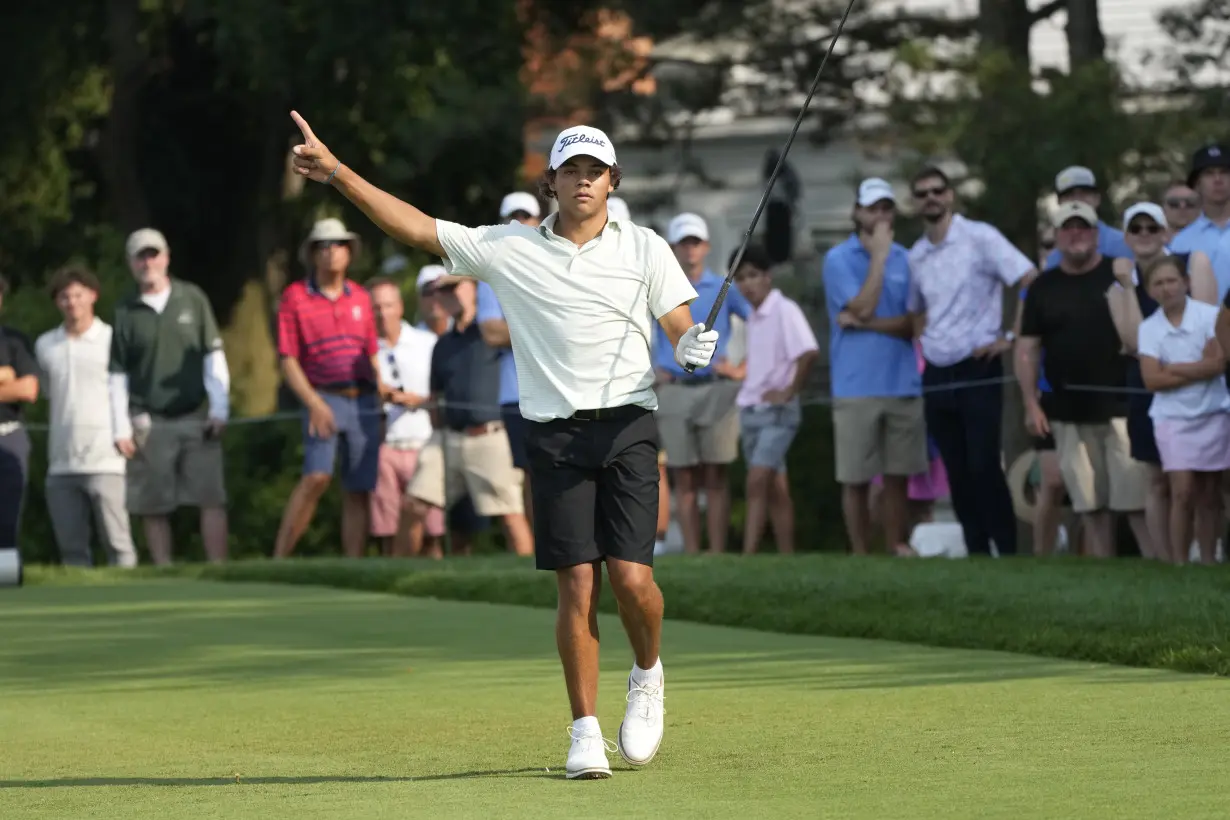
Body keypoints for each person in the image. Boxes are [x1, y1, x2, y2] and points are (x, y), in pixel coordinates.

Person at [287, 111, 715, 778]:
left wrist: (690, 343)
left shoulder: (646, 246)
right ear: (551, 181)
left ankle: (649, 671)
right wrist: (339, 173)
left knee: (632, 582)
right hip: (553, 433)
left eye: (594, 172)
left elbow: (680, 323)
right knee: (576, 584)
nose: (583, 181)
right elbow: (417, 227)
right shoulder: (511, 248)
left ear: (612, 182)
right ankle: (583, 729)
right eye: (571, 170)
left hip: (629, 423)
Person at [906, 166, 1032, 556]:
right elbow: (916, 310)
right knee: (957, 471)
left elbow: (1029, 278)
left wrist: (1009, 337)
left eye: (937, 191)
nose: (931, 197)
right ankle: (976, 551)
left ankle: (1007, 549)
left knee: (983, 465)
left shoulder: (980, 237)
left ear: (950, 196)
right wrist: (925, 344)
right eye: (923, 192)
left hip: (978, 365)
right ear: (916, 202)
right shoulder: (917, 255)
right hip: (938, 371)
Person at [1016, 202, 1150, 559]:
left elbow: (1139, 338)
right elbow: (1027, 349)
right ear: (1058, 236)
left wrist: (1126, 284)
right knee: (1090, 504)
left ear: (1095, 234)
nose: (1076, 234)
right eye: (1068, 228)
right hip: (1065, 410)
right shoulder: (1043, 287)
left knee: (1135, 500)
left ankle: (1158, 564)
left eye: (1083, 228)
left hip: (1121, 405)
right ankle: (1104, 568)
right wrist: (1030, 403)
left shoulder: (1119, 274)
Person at [110, 228, 230, 564]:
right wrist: (120, 427)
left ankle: (219, 571)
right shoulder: (125, 310)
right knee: (153, 504)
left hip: (197, 415)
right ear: (131, 263)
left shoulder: (192, 298)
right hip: (149, 420)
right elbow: (117, 375)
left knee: (211, 498)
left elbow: (213, 356)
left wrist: (220, 408)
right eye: (140, 256)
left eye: (153, 254)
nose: (148, 262)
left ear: (166, 257)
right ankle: (164, 572)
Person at [1105, 203, 1217, 561]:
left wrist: (1174, 369)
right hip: (1149, 390)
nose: (1144, 235)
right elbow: (1137, 342)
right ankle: (1168, 562)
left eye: (1151, 228)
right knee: (1158, 479)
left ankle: (1207, 558)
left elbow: (1207, 328)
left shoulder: (1191, 262)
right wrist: (1126, 284)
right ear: (1126, 237)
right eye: (1135, 229)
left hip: (1203, 391)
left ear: (1165, 232)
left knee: (1204, 485)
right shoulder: (1118, 285)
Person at [273, 219, 387, 559]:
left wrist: (382, 393)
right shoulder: (295, 297)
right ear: (312, 254)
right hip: (322, 395)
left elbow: (372, 353)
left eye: (338, 244)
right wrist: (313, 403)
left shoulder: (362, 297)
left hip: (363, 399)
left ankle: (353, 565)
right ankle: (279, 558)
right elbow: (288, 359)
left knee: (358, 489)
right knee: (317, 478)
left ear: (349, 252)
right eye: (323, 245)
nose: (331, 251)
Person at [825, 178, 928, 556]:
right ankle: (860, 554)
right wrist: (880, 258)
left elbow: (913, 324)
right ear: (857, 212)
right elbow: (862, 305)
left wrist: (864, 322)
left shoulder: (909, 257)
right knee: (856, 478)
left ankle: (896, 546)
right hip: (855, 386)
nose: (881, 215)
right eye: (873, 208)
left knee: (899, 476)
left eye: (886, 208)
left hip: (902, 382)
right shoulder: (837, 258)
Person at [404, 274, 534, 558]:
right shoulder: (443, 345)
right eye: (443, 291)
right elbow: (436, 396)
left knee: (510, 515)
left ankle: (529, 573)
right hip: (448, 438)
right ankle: (398, 576)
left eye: (454, 287)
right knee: (413, 504)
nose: (450, 295)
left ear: (473, 289)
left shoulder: (493, 333)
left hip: (491, 436)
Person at [653, 212, 750, 555]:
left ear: (705, 246)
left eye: (695, 242)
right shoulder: (661, 285)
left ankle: (717, 554)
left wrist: (745, 369)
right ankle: (695, 554)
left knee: (716, 475)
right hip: (675, 390)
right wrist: (653, 371)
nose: (690, 250)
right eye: (683, 243)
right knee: (684, 477)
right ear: (674, 248)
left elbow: (762, 319)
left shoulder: (725, 286)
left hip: (716, 388)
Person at [35, 266, 137, 568]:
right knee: (72, 551)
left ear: (93, 296)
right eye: (65, 297)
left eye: (78, 295)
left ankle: (132, 604)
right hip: (61, 462)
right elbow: (46, 393)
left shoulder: (111, 339)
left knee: (118, 545)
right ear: (57, 302)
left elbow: (127, 392)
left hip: (106, 458)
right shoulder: (45, 345)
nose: (72, 302)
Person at [1137, 254, 1230, 564]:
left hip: (1213, 412)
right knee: (1182, 491)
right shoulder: (1148, 328)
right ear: (1150, 290)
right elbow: (1151, 380)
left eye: (1172, 281)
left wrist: (1173, 369)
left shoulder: (1210, 316)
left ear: (1186, 282)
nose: (1166, 289)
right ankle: (1179, 562)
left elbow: (1217, 365)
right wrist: (1198, 367)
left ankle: (1207, 559)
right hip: (1172, 418)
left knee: (1210, 493)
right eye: (1158, 283)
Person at [731, 245, 818, 554]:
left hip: (778, 413)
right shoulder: (753, 317)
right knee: (776, 488)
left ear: (767, 277)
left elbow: (808, 352)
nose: (747, 283)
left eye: (753, 275)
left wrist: (789, 391)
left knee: (756, 481)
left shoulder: (784, 309)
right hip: (752, 409)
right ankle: (787, 555)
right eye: (740, 278)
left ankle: (747, 555)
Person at [367, 276, 444, 557]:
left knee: (432, 531)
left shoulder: (426, 342)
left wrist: (416, 400)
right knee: (387, 529)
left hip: (424, 443)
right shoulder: (366, 351)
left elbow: (441, 393)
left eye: (388, 305)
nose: (382, 312)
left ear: (400, 306)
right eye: (375, 307)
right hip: (386, 446)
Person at [480, 193, 540, 525]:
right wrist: (541, 325)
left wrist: (515, 327)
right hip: (516, 394)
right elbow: (490, 333)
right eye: (511, 217)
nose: (519, 224)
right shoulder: (491, 271)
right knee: (532, 475)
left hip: (560, 387)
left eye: (526, 217)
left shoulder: (557, 261)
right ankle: (542, 552)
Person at [0, 273, 39, 562]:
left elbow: (27, 389)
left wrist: (12, 382)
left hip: (9, 436)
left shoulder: (14, 340)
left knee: (8, 518)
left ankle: (6, 577)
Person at [1042, 166, 1131, 268]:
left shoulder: (1122, 244)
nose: (1077, 200)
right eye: (1069, 195)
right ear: (1059, 203)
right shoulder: (1054, 257)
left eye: (1084, 193)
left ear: (1097, 199)